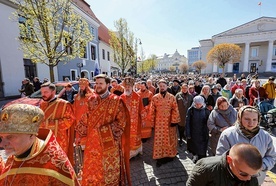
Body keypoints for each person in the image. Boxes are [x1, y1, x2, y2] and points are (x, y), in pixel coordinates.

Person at [0, 104, 80, 185]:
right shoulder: (13, 157)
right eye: (2, 138)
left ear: (31, 135)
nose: (2, 144)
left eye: (10, 137)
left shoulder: (55, 163)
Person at [77, 74, 131, 185]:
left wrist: (104, 131)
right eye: (96, 83)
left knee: (109, 171)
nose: (98, 86)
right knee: (93, 169)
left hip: (109, 143)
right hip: (92, 143)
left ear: (107, 84)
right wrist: (79, 134)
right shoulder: (91, 99)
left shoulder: (116, 100)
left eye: (101, 83)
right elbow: (86, 117)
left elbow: (122, 122)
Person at [216, 105, 276, 185]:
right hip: (233, 179)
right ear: (240, 118)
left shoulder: (265, 136)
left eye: (254, 119)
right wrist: (238, 169)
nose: (251, 123)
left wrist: (260, 166)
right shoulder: (228, 134)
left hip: (257, 178)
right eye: (247, 119)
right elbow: (220, 157)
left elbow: (271, 157)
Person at [186, 143, 262, 186]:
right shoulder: (206, 168)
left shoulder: (250, 175)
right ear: (229, 160)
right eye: (243, 174)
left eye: (253, 175)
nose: (248, 179)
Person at [39, 82, 75, 162]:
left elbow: (70, 121)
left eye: (45, 92)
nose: (43, 94)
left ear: (53, 92)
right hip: (44, 139)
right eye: (42, 92)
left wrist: (47, 124)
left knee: (59, 162)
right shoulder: (42, 104)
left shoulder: (64, 104)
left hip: (59, 139)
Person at [150, 79, 180, 167]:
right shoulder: (155, 97)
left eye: (164, 86)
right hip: (158, 122)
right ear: (158, 87)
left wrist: (174, 121)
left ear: (167, 86)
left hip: (169, 121)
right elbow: (152, 111)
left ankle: (170, 155)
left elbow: (175, 109)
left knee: (170, 139)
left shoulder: (172, 97)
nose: (162, 88)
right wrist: (152, 123)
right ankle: (159, 156)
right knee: (160, 139)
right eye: (160, 86)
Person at [121, 77, 143, 159]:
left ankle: (135, 152)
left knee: (134, 137)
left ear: (132, 87)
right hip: (124, 122)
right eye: (126, 86)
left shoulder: (137, 97)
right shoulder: (121, 97)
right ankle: (126, 152)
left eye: (129, 86)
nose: (127, 88)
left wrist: (143, 120)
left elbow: (141, 109)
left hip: (136, 122)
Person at [186, 96, 210, 163]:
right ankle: (196, 157)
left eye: (200, 104)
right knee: (194, 147)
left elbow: (209, 122)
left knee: (203, 149)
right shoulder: (191, 110)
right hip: (194, 133)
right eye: (197, 104)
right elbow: (187, 122)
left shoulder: (206, 111)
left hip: (203, 133)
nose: (198, 105)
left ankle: (202, 159)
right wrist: (188, 133)